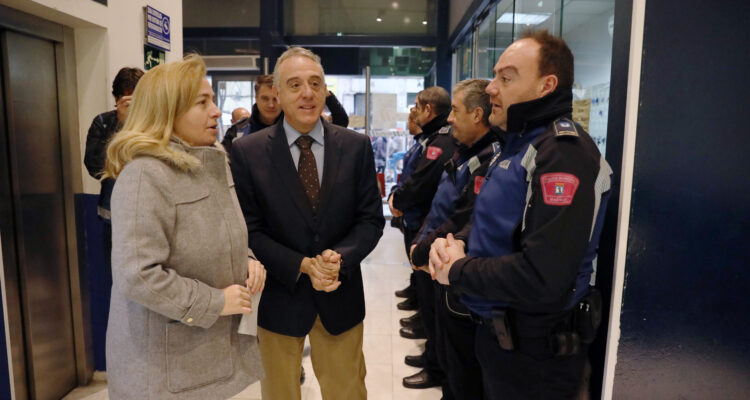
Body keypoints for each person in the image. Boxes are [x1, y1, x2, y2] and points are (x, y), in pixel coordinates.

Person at [430, 30, 613, 399]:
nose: (491, 88)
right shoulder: (514, 145)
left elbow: (543, 275)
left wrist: (458, 270)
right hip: (498, 338)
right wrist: (456, 243)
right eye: (495, 76)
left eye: (506, 77)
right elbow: (493, 221)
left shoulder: (562, 153)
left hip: (536, 356)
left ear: (547, 85)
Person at [103, 55, 266, 399]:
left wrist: (247, 260)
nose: (216, 112)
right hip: (164, 368)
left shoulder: (211, 162)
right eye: (202, 103)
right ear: (167, 112)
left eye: (212, 100)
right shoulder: (145, 175)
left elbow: (222, 232)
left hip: (206, 355)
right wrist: (215, 302)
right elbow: (137, 274)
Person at [230, 47, 384, 400]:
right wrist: (300, 264)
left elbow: (370, 219)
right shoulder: (249, 152)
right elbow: (249, 230)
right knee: (279, 392)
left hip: (339, 293)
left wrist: (340, 258)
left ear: (326, 91)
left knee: (347, 391)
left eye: (315, 83)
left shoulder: (356, 146)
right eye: (295, 84)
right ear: (277, 93)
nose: (307, 93)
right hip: (279, 296)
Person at [409, 78, 498, 400]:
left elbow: (463, 217)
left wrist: (422, 249)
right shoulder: (464, 151)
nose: (449, 118)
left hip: (459, 269)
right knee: (447, 351)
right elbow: (440, 203)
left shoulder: (489, 158)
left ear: (476, 115)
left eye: (456, 111)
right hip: (439, 257)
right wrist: (421, 242)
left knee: (462, 370)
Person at [388, 86, 456, 389]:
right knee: (428, 301)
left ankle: (435, 366)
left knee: (433, 303)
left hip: (429, 228)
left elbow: (420, 183)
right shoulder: (430, 138)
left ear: (429, 109)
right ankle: (433, 357)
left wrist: (399, 201)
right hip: (422, 225)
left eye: (417, 105)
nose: (413, 111)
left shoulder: (441, 141)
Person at [82, 66, 143, 366]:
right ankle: (126, 357)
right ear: (117, 100)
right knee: (120, 289)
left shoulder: (155, 125)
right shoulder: (103, 123)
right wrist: (120, 125)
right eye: (126, 100)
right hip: (113, 221)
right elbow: (94, 166)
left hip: (149, 219)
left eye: (137, 99)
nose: (132, 106)